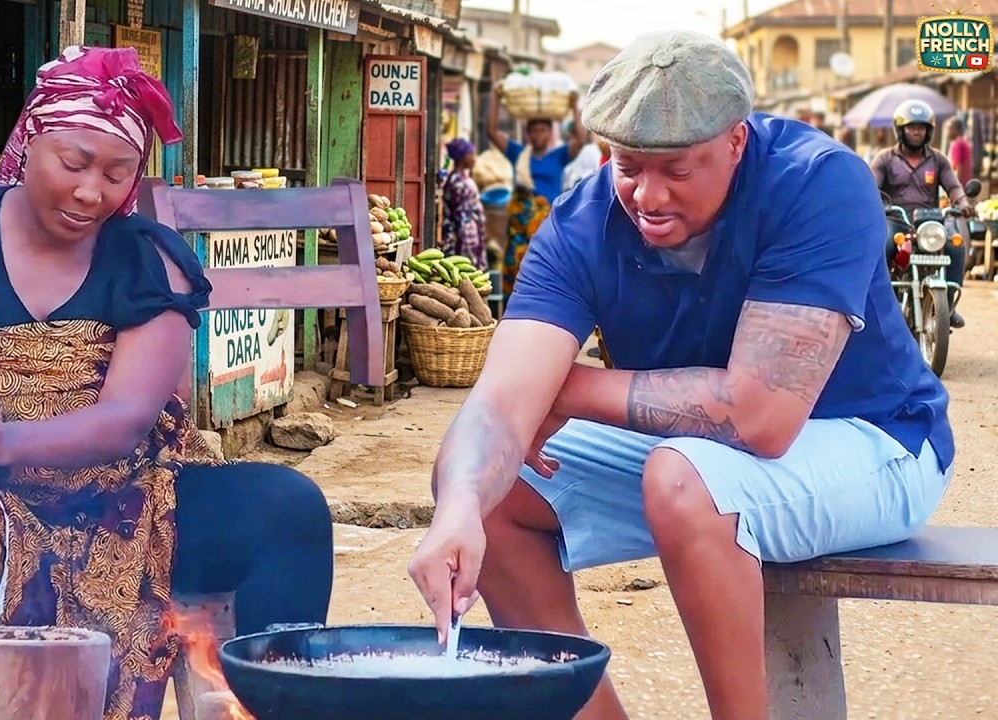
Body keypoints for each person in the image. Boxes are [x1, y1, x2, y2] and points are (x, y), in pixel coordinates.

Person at [408, 31, 953, 720]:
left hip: (879, 443)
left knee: (682, 478)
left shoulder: (816, 182)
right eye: (628, 165)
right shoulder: (581, 224)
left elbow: (759, 417)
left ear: (735, 141)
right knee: (490, 484)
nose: (648, 195)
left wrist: (561, 388)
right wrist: (457, 506)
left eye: (676, 168)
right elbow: (498, 403)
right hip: (704, 458)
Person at [0, 46, 333, 720]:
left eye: (116, 172)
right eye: (73, 163)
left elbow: (125, 419)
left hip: (135, 497)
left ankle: (281, 706)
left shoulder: (146, 260)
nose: (90, 193)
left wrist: (2, 437)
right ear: (29, 140)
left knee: (289, 506)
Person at [870, 100, 973, 328]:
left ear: (929, 131)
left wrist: (963, 202)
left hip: (929, 221)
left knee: (955, 244)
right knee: (883, 244)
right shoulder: (884, 158)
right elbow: (870, 186)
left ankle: (949, 306)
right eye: (912, 127)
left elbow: (953, 186)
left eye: (922, 127)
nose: (917, 132)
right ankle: (880, 302)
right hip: (896, 220)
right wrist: (871, 203)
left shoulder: (937, 159)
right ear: (900, 129)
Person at [486, 83, 584, 299]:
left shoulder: (558, 156)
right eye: (535, 130)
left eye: (543, 130)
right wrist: (495, 97)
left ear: (550, 133)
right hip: (519, 232)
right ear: (528, 133)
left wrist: (575, 106)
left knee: (548, 278)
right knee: (515, 282)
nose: (539, 135)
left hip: (547, 229)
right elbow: (491, 131)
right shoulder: (518, 153)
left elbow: (581, 139)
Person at [439, 138, 488, 269]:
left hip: (471, 231)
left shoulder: (462, 178)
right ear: (462, 157)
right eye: (471, 154)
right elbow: (458, 214)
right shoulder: (457, 181)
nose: (474, 158)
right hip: (464, 235)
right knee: (465, 267)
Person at [946, 116, 973, 186]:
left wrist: (955, 187)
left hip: (960, 186)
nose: (947, 131)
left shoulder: (957, 144)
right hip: (966, 184)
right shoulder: (963, 142)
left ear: (956, 130)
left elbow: (958, 168)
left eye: (949, 128)